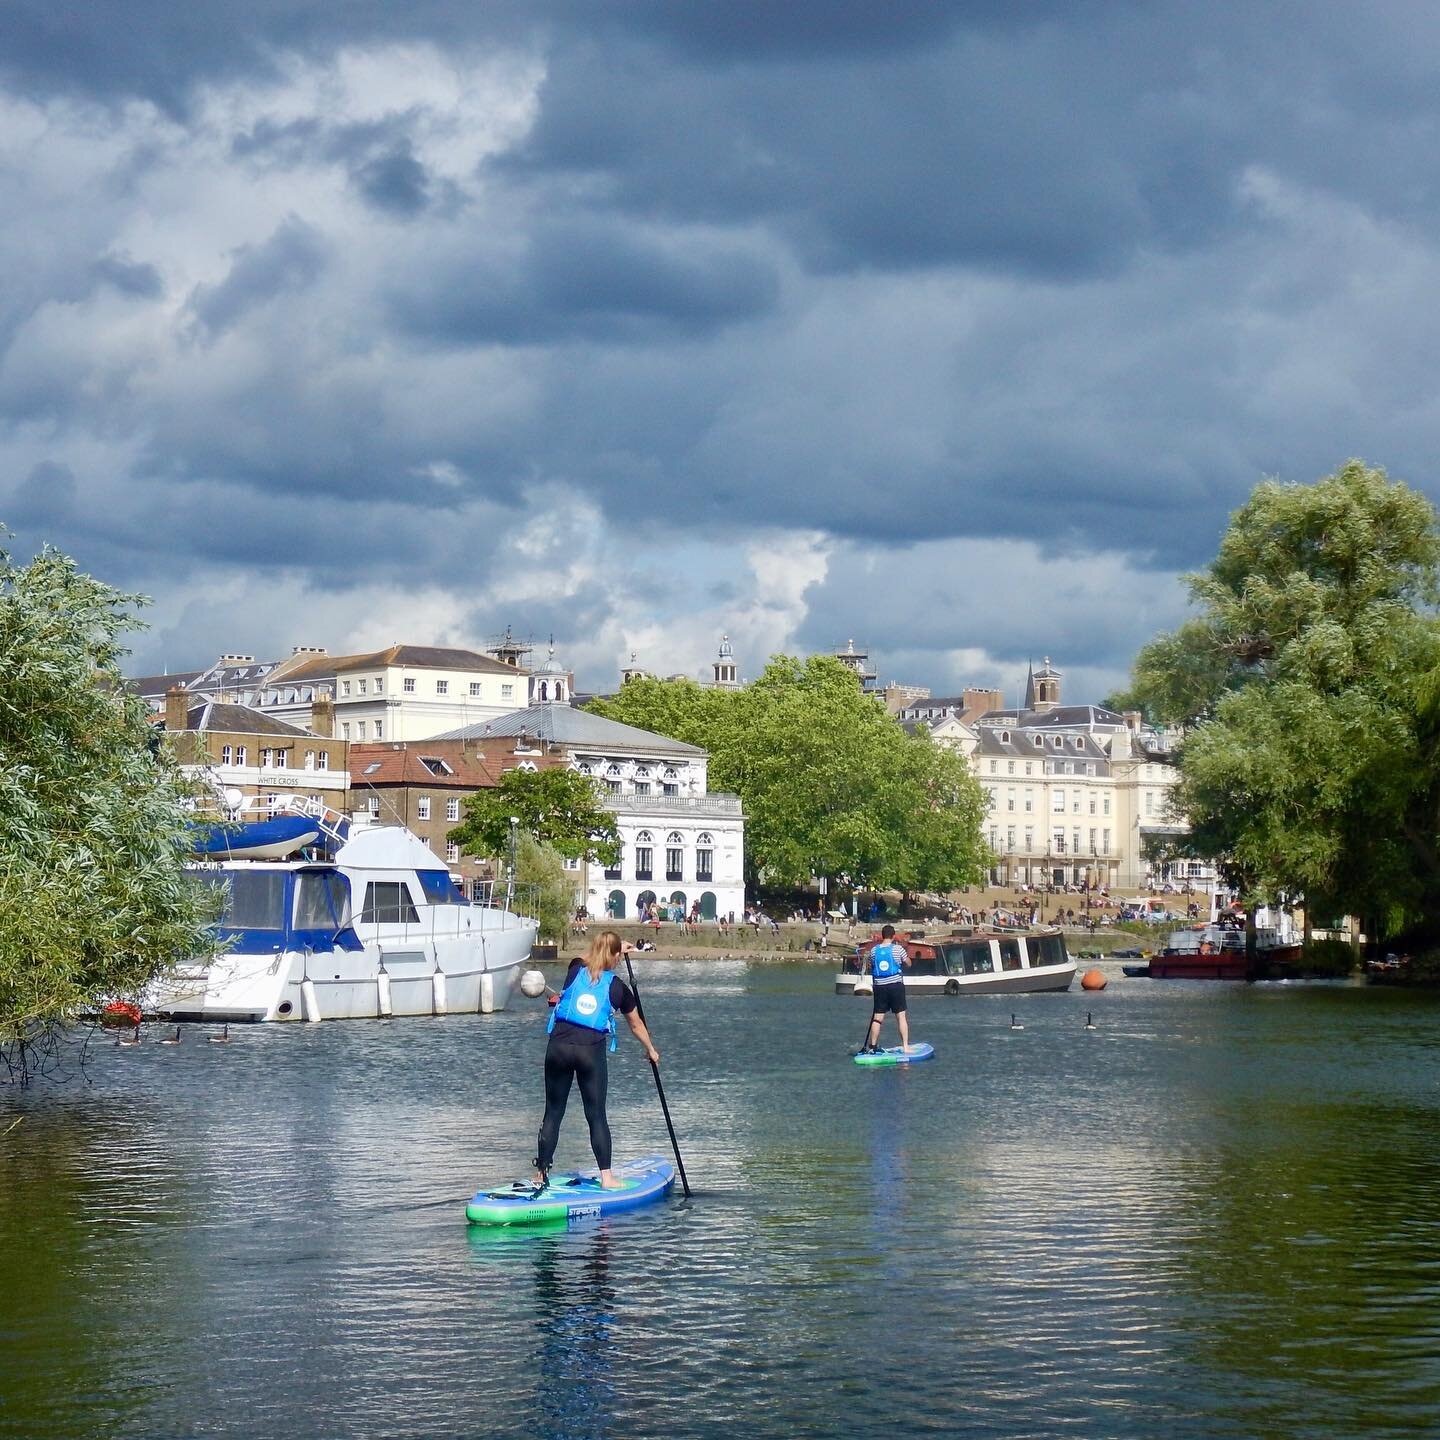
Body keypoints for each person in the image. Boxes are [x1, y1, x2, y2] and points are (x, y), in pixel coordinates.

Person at [534, 930, 660, 1191]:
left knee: (553, 1112)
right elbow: (636, 1024)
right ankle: (606, 1178)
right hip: (589, 1052)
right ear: (615, 956)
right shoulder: (618, 988)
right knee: (596, 1115)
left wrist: (610, 947)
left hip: (558, 1046)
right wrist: (651, 1050)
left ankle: (541, 1174)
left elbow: (587, 956)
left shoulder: (575, 968)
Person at [861, 923, 910, 1053]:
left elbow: (872, 966)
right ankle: (905, 1046)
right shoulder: (898, 949)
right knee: (901, 1016)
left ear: (882, 936)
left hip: (880, 987)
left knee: (878, 1018)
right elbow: (908, 963)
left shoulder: (874, 950)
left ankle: (872, 1047)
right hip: (895, 986)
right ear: (893, 936)